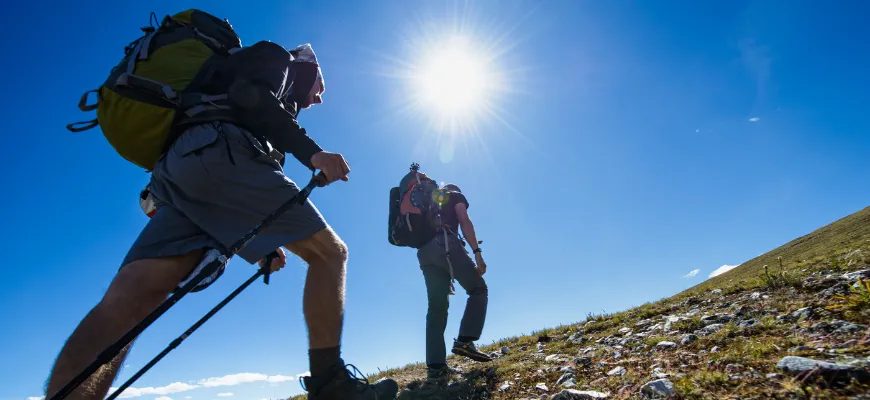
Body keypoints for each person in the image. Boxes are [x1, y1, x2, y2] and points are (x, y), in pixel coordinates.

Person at [44, 29, 397, 400]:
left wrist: (265, 243)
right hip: (219, 151)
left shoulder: (230, 82)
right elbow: (255, 101)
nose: (320, 98)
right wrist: (312, 152)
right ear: (308, 68)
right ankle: (332, 386)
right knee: (330, 253)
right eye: (320, 86)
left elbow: (247, 173)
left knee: (132, 295)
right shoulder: (279, 58)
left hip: (180, 169)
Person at [416, 181, 492, 386]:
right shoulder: (455, 194)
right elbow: (464, 220)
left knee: (436, 308)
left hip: (424, 254)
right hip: (446, 245)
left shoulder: (428, 201)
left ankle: (436, 368)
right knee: (478, 289)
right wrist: (477, 254)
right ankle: (465, 341)